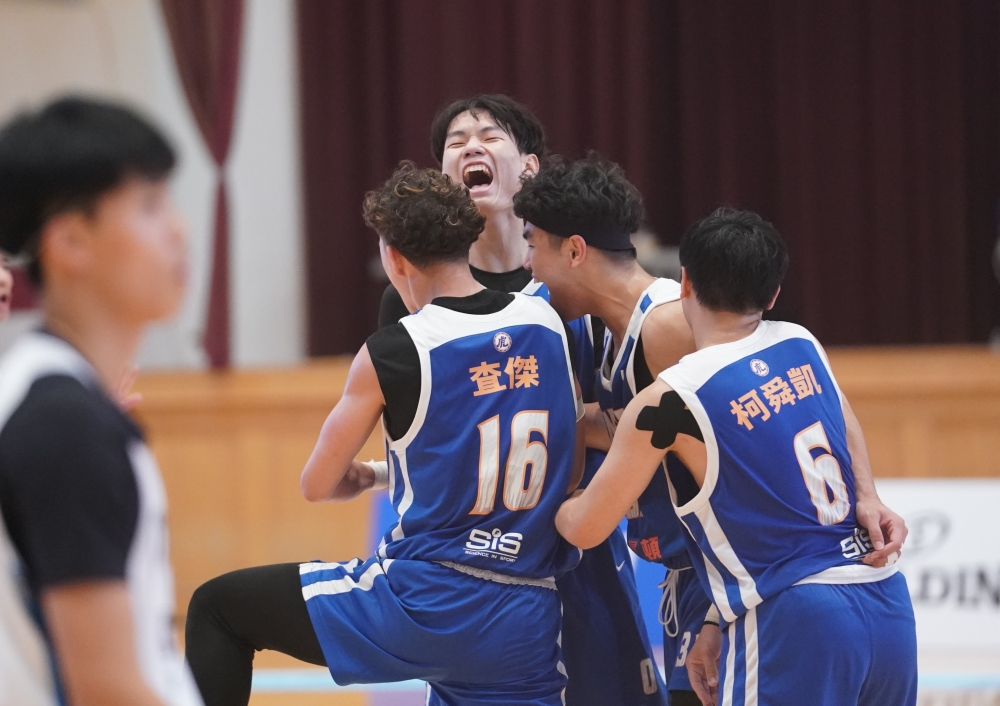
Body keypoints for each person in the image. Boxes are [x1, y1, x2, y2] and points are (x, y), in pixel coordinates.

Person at [185, 162, 586, 706]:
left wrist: (367, 476)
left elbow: (317, 484)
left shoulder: (397, 350)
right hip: (526, 615)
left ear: (394, 258)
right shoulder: (546, 321)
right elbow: (558, 457)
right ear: (466, 240)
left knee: (218, 609)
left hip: (427, 603)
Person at [555, 208, 916, 706]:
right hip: (887, 601)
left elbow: (585, 529)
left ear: (684, 282)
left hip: (795, 615)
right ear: (773, 295)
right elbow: (842, 417)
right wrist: (868, 495)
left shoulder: (669, 402)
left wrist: (554, 497)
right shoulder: (801, 343)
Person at [381, 95, 667, 705]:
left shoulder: (579, 286)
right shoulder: (413, 295)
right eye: (455, 142)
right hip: (481, 558)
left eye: (489, 136)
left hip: (580, 538)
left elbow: (656, 414)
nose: (471, 146)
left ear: (530, 166)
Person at [0, 97, 202, 706]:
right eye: (149, 205)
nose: (178, 229)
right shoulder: (64, 423)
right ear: (71, 241)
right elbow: (105, 690)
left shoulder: (57, 396)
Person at [515, 154, 707, 705]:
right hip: (686, 578)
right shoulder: (608, 334)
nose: (528, 264)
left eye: (533, 245)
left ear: (574, 251)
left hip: (724, 580)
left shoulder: (668, 325)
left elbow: (748, 443)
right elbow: (627, 428)